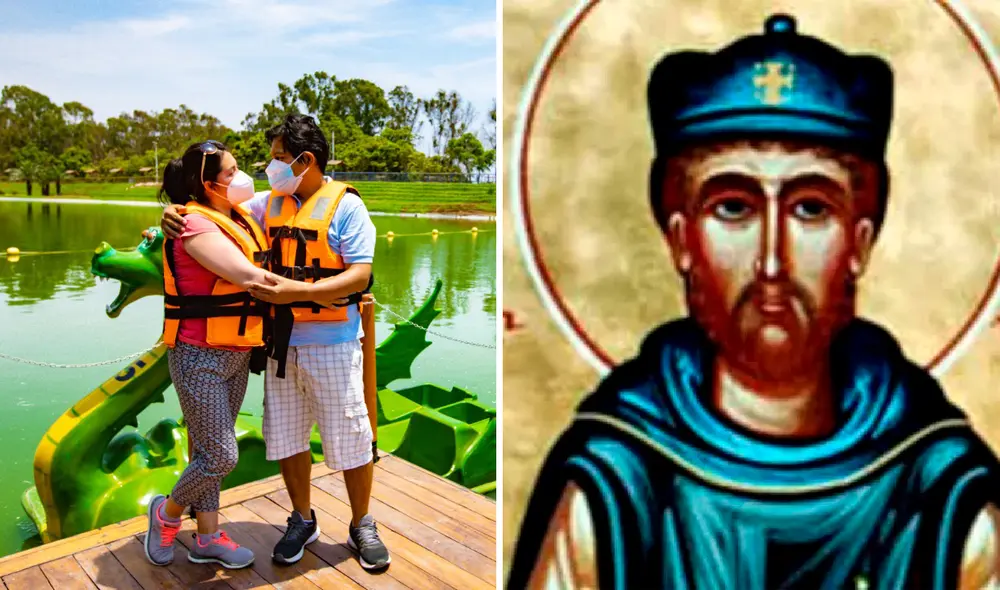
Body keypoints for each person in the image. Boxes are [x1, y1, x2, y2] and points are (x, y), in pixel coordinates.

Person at [507, 14, 1000, 589]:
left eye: (810, 208)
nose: (771, 262)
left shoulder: (942, 497)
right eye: (734, 207)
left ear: (859, 241)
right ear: (682, 237)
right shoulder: (616, 487)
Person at [159, 115, 390, 570]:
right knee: (287, 437)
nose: (271, 167)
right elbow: (213, 216)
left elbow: (360, 273)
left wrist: (296, 292)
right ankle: (302, 518)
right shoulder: (270, 204)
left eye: (280, 158)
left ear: (306, 161)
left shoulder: (347, 208)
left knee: (351, 436)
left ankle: (362, 522)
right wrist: (170, 213)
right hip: (279, 343)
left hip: (334, 340)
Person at [144, 140, 269, 569]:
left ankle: (208, 536)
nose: (241, 177)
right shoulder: (192, 224)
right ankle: (167, 513)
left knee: (208, 455)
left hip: (236, 352)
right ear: (206, 183)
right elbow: (244, 274)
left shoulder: (240, 215)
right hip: (200, 356)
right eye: (232, 172)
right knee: (221, 455)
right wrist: (309, 293)